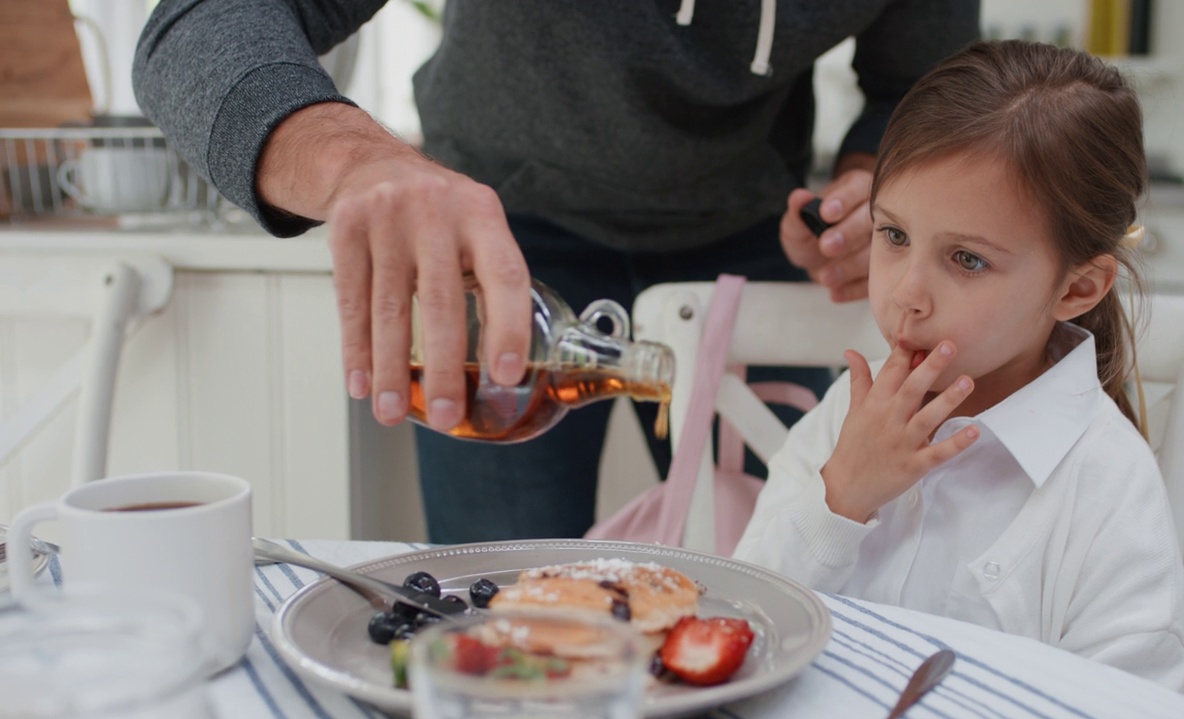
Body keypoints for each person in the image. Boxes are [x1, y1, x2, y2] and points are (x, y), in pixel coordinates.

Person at [133, 1, 978, 542]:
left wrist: (877, 181)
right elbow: (198, 22)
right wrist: (355, 162)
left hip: (751, 240)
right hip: (501, 235)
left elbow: (917, 84)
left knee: (800, 570)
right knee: (500, 595)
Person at [733, 40, 1184, 688]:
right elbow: (740, 633)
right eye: (894, 235)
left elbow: (1125, 699)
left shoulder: (1106, 483)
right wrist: (841, 498)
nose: (905, 295)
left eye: (967, 260)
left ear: (1077, 289)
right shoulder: (848, 413)